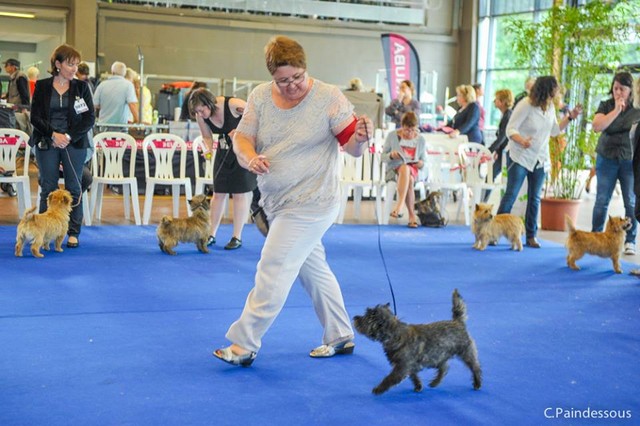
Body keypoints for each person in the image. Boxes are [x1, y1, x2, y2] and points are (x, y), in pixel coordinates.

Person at [213, 35, 373, 366]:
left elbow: (352, 148)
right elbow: (241, 137)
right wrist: (249, 157)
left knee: (273, 266)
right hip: (276, 201)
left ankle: (244, 344)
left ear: (305, 68)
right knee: (312, 267)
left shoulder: (329, 97)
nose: (291, 86)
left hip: (314, 201)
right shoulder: (259, 96)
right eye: (282, 80)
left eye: (297, 77)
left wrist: (360, 139)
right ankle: (340, 334)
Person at [496, 75, 582, 248]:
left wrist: (570, 117)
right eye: (555, 90)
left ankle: (531, 235)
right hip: (520, 156)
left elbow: (555, 131)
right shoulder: (526, 105)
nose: (557, 93)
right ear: (546, 90)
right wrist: (522, 140)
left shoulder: (550, 107)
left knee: (534, 198)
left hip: (540, 158)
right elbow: (509, 129)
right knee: (511, 194)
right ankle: (494, 232)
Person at [30, 44, 95, 248]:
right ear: (58, 64)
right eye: (70, 64)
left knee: (74, 188)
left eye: (76, 64)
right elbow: (35, 117)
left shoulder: (82, 87)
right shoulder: (41, 86)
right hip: (46, 141)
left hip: (73, 143)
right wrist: (53, 134)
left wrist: (67, 136)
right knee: (48, 188)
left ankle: (73, 232)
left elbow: (89, 119)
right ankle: (42, 230)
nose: (74, 68)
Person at [189, 88, 257, 250]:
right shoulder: (201, 116)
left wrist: (242, 131)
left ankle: (237, 236)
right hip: (223, 151)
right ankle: (211, 234)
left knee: (240, 193)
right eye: (197, 111)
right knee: (218, 193)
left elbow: (256, 116)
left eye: (202, 109)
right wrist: (207, 149)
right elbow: (207, 137)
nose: (201, 113)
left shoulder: (232, 105)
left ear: (210, 103)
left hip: (242, 150)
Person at [591, 71, 640, 255]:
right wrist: (616, 110)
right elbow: (597, 126)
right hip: (607, 157)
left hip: (629, 160)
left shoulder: (637, 108)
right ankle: (596, 237)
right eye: (615, 88)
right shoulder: (606, 104)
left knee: (631, 201)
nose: (618, 92)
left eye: (622, 89)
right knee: (602, 199)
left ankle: (630, 240)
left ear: (630, 90)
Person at [381, 111, 426, 228]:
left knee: (408, 171)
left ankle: (399, 206)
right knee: (406, 171)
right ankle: (411, 216)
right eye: (406, 130)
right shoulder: (392, 136)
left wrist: (419, 163)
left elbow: (423, 163)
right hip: (394, 170)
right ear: (402, 126)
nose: (409, 133)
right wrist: (391, 155)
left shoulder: (421, 140)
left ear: (416, 128)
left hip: (413, 170)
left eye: (412, 130)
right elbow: (382, 157)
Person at [93, 61, 138, 126]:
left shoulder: (102, 85)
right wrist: (137, 120)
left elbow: (95, 105)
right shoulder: (128, 85)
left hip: (103, 126)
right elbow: (132, 104)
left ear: (112, 72)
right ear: (124, 73)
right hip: (121, 127)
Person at [488, 89, 514, 182]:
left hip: (507, 152)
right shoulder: (506, 115)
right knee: (491, 176)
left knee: (491, 177)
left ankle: (483, 197)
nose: (494, 101)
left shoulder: (507, 116)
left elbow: (502, 137)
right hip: (503, 151)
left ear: (503, 102)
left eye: (497, 99)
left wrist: (489, 150)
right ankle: (484, 197)